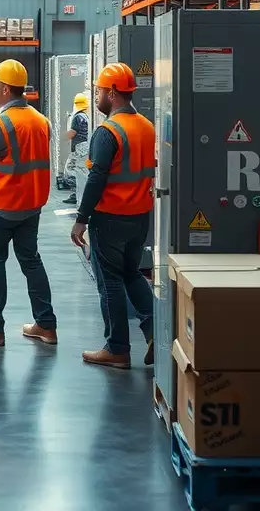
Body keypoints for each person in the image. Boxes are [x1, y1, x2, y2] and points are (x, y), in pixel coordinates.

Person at [0, 59, 57, 348]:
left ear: (5, 89)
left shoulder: (2, 123)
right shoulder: (42, 120)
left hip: (1, 206)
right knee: (31, 261)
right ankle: (46, 324)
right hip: (31, 205)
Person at [70, 62, 156, 370]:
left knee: (110, 283)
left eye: (99, 91)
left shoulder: (107, 132)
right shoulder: (147, 127)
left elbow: (97, 179)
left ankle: (117, 348)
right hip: (140, 217)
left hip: (110, 218)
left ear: (114, 93)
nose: (96, 96)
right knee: (132, 273)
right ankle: (154, 334)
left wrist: (81, 218)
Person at [62, 92, 90, 205]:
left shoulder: (77, 117)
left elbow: (73, 133)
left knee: (68, 172)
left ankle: (76, 193)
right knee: (80, 172)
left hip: (78, 149)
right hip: (85, 148)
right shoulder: (86, 116)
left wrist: (62, 137)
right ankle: (78, 193)